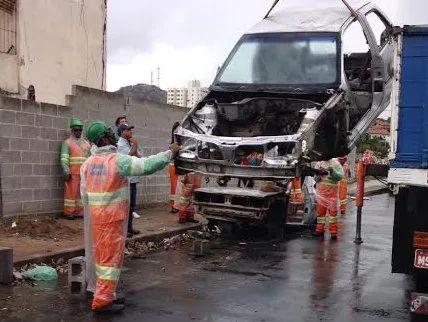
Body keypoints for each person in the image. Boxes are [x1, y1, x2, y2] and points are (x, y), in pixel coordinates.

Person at [81, 120, 180, 314]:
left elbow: (84, 195)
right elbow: (146, 165)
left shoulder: (88, 163)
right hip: (113, 218)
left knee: (103, 259)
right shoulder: (117, 160)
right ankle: (102, 301)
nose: (113, 136)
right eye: (109, 133)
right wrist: (169, 153)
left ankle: (106, 294)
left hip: (98, 219)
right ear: (101, 138)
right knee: (110, 262)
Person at [60, 119, 90, 220]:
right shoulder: (67, 143)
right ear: (72, 130)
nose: (79, 132)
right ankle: (68, 212)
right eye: (76, 130)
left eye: (80, 130)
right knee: (70, 194)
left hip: (83, 174)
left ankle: (79, 211)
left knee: (81, 194)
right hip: (72, 173)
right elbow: (64, 158)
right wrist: (66, 170)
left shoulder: (86, 143)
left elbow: (90, 159)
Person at [116, 124, 143, 237]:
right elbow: (126, 159)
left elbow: (138, 157)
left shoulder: (128, 143)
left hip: (133, 179)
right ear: (122, 132)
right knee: (125, 207)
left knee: (131, 207)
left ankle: (130, 228)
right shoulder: (120, 144)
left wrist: (135, 147)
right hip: (126, 180)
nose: (131, 132)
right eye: (128, 130)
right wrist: (135, 145)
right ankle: (124, 229)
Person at [313, 158, 344, 240]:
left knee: (332, 215)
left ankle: (333, 232)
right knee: (320, 214)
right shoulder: (319, 163)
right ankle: (319, 230)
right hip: (321, 195)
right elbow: (315, 178)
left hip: (332, 195)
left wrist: (333, 171)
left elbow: (340, 177)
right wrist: (318, 174)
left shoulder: (335, 164)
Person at [169, 122, 180, 213]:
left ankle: (177, 205)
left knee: (178, 187)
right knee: (174, 186)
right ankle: (173, 205)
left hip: (178, 166)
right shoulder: (175, 143)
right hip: (174, 166)